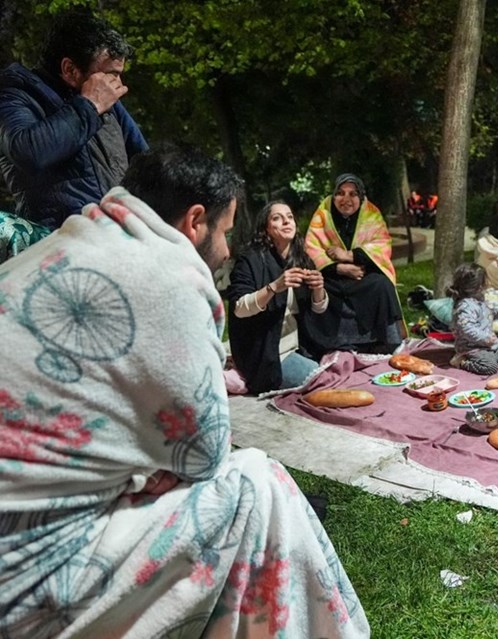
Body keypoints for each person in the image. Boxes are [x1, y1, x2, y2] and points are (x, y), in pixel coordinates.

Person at [0, 148, 369, 638]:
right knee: (257, 485)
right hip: (26, 578)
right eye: (225, 230)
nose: (226, 248)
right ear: (195, 221)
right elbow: (205, 458)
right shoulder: (170, 275)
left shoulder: (64, 245)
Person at [0, 11, 148, 230]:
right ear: (69, 69)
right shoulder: (14, 93)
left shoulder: (107, 100)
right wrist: (89, 105)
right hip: (57, 241)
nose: (119, 84)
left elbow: (144, 161)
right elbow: (29, 152)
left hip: (117, 235)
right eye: (111, 74)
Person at [226, 200, 329, 394]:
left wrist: (318, 289)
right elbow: (239, 309)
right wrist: (274, 287)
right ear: (265, 229)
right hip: (267, 351)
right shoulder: (251, 259)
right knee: (319, 379)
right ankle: (244, 375)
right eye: (277, 218)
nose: (286, 221)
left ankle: (240, 377)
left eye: (289, 217)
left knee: (332, 370)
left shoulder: (301, 259)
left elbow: (318, 309)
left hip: (299, 345)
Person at [305, 173, 404, 353]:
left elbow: (382, 246)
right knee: (313, 287)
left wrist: (349, 255)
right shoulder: (323, 213)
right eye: (340, 193)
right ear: (333, 195)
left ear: (361, 196)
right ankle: (326, 344)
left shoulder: (371, 213)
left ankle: (385, 342)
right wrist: (340, 268)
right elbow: (312, 249)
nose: (346, 199)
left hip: (362, 276)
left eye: (353, 194)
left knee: (382, 285)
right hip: (332, 277)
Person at [449, 263, 498, 375]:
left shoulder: (478, 299)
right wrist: (485, 338)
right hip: (472, 347)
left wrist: (496, 313)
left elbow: (483, 315)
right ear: (479, 287)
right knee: (491, 368)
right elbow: (466, 328)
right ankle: (461, 362)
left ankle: (484, 360)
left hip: (485, 345)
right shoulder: (465, 306)